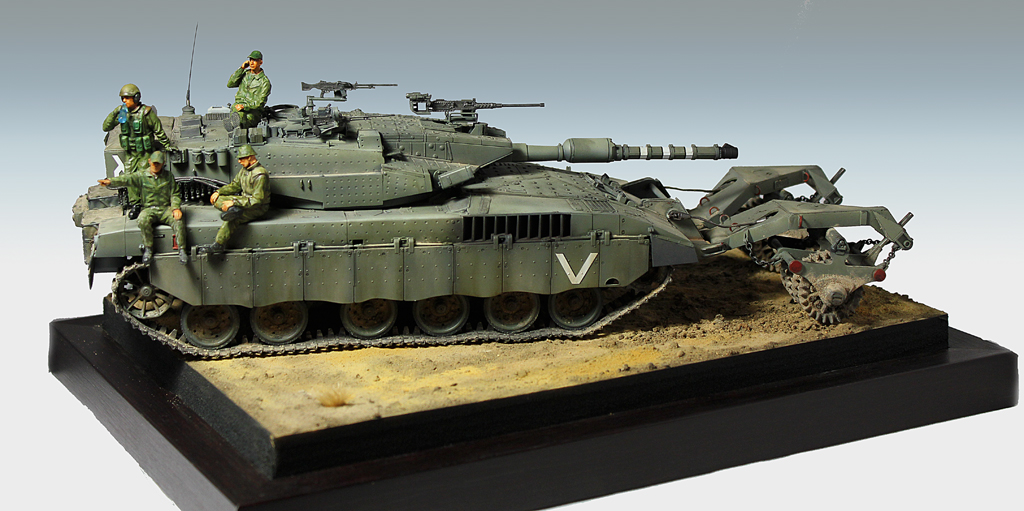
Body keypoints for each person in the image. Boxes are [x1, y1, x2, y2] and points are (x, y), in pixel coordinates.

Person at [98, 151, 188, 265]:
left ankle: (182, 250)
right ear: (149, 161)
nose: (155, 166)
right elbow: (127, 179)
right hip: (149, 208)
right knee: (142, 220)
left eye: (158, 163)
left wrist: (175, 208)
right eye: (154, 163)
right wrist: (110, 181)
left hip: (165, 209)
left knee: (178, 221)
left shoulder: (168, 176)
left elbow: (174, 194)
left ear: (163, 163)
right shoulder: (142, 176)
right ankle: (148, 248)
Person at [102, 84, 176, 220]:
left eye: (127, 98)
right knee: (130, 178)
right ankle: (135, 205)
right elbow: (106, 127)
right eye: (122, 98)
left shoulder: (146, 113)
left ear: (136, 98)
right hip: (131, 152)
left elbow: (158, 130)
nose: (124, 101)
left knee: (145, 177)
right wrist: (114, 113)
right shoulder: (122, 113)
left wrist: (167, 145)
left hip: (145, 152)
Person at [199, 145, 270, 254]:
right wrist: (219, 192)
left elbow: (257, 200)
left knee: (233, 219)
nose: (239, 161)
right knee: (218, 199)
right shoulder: (244, 170)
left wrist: (234, 202)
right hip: (244, 200)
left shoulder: (260, 175)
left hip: (257, 207)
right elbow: (235, 186)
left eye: (241, 158)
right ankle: (233, 210)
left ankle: (219, 244)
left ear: (250, 157)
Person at [227, 50, 272, 129]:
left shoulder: (264, 82)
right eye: (250, 60)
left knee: (243, 116)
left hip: (253, 111)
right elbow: (230, 84)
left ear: (260, 62)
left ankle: (234, 126)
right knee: (237, 113)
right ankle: (235, 124)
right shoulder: (244, 74)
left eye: (255, 60)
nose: (251, 63)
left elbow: (260, 102)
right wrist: (241, 68)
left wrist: (244, 106)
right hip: (237, 107)